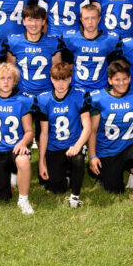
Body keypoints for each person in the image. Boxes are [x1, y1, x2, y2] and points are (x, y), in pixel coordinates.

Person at [88, 60, 133, 207]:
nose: (122, 83)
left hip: (129, 146)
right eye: (117, 79)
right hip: (108, 151)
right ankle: (106, 175)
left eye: (125, 79)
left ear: (130, 78)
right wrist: (92, 156)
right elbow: (92, 130)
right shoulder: (99, 98)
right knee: (114, 190)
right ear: (110, 80)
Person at [0, 63, 35, 213]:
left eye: (9, 78)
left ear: (14, 80)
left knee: (23, 160)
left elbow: (29, 131)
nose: (6, 81)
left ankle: (23, 200)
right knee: (2, 196)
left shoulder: (22, 100)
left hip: (14, 149)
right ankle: (8, 183)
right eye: (2, 78)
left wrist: (23, 142)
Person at [35, 62, 91, 208]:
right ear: (51, 79)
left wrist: (78, 146)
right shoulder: (44, 99)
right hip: (54, 147)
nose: (61, 84)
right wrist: (42, 161)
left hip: (73, 145)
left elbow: (87, 127)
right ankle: (66, 175)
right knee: (56, 188)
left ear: (70, 79)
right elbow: (44, 133)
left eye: (65, 79)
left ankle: (75, 197)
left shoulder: (79, 95)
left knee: (78, 159)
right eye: (57, 79)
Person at [61, 3, 121, 92]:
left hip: (101, 90)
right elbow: (66, 66)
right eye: (86, 18)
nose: (90, 22)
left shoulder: (109, 40)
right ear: (81, 20)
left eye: (93, 18)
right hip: (77, 89)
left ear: (99, 19)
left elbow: (113, 68)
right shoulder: (71, 39)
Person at [5, 4, 62, 97]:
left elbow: (58, 72)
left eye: (37, 20)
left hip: (47, 94)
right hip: (22, 94)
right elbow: (11, 72)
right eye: (30, 20)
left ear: (43, 22)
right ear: (23, 22)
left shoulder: (53, 42)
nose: (33, 24)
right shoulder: (14, 42)